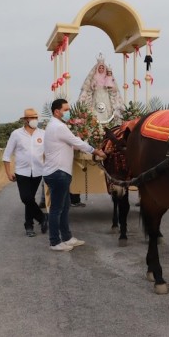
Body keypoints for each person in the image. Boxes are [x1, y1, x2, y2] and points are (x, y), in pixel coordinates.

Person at [43, 98, 106, 251]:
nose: (68, 112)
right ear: (56, 111)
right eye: (65, 109)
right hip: (58, 173)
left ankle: (67, 237)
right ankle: (55, 242)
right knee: (57, 209)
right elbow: (77, 142)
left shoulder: (56, 125)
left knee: (64, 208)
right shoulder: (58, 127)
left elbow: (74, 141)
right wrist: (95, 150)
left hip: (60, 172)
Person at [2, 108, 48, 237]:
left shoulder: (43, 134)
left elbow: (48, 153)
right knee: (26, 198)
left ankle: (29, 226)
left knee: (30, 200)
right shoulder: (16, 134)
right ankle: (42, 217)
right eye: (32, 118)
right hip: (22, 171)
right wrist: (8, 173)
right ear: (26, 120)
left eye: (36, 118)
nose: (35, 120)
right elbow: (6, 155)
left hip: (38, 171)